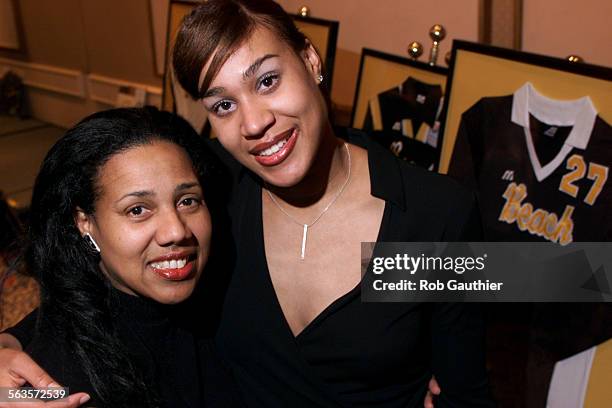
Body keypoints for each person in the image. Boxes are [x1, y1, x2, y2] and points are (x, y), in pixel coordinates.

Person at [1, 0, 492, 406]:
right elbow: (116, 291)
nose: (254, 123)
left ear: (311, 61)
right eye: (224, 105)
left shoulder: (428, 214)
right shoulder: (215, 189)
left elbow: (485, 354)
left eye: (267, 80)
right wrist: (12, 343)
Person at [0, 107, 240, 407]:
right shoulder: (60, 384)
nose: (176, 231)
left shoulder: (220, 278)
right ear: (85, 221)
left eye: (187, 200)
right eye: (137, 209)